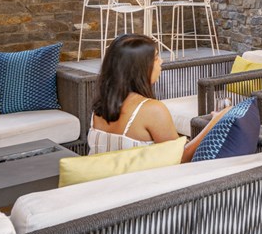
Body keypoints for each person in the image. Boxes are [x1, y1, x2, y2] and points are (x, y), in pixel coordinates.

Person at [88, 34, 226, 161]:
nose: (161, 61)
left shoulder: (99, 107)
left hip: (101, 184)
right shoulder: (152, 110)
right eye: (155, 58)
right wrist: (214, 123)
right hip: (143, 185)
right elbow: (181, 158)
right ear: (138, 68)